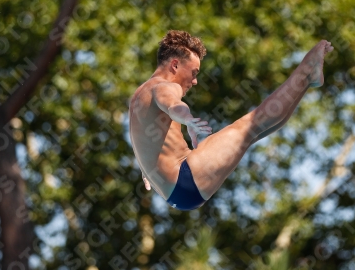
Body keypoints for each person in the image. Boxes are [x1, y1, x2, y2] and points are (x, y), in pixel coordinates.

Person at [129, 30, 333, 211]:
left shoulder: (140, 95)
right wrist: (187, 119)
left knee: (253, 132)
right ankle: (308, 69)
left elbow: (142, 136)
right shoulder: (164, 86)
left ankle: (307, 81)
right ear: (175, 64)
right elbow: (173, 105)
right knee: (253, 122)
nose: (194, 81)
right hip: (184, 178)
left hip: (176, 191)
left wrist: (147, 169)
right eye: (194, 72)